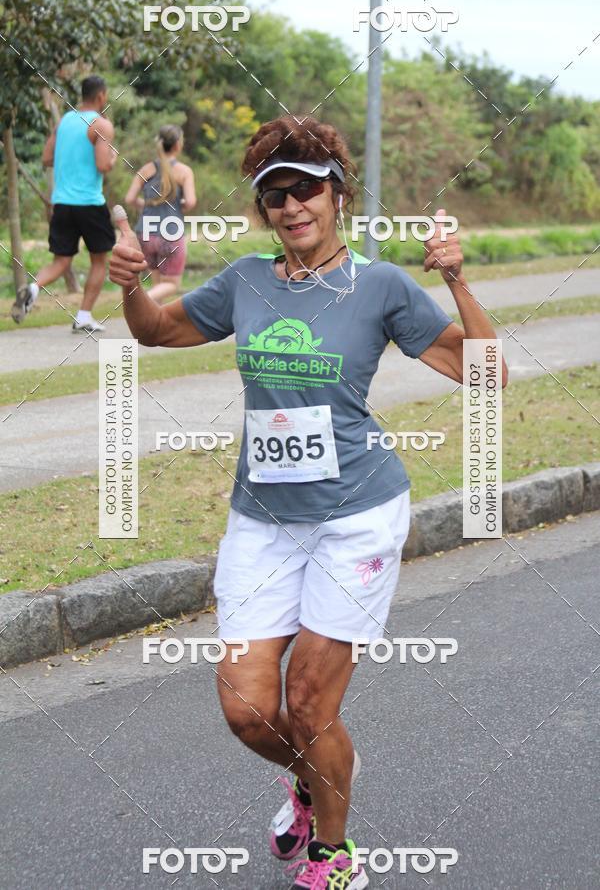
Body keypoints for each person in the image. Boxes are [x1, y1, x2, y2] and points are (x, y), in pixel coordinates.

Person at [109, 115, 509, 889]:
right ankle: (310, 778)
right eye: (275, 194)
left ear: (338, 196)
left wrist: (456, 279)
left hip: (356, 514)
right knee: (247, 708)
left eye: (307, 189)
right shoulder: (247, 283)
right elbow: (158, 330)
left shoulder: (382, 285)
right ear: (264, 209)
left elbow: (485, 373)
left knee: (308, 698)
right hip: (260, 518)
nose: (292, 207)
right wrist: (129, 290)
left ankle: (334, 851)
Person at [11, 74, 117, 332]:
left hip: (62, 203)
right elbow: (103, 165)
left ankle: (33, 288)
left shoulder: (65, 122)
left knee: (61, 261)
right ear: (101, 96)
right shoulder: (102, 125)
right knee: (99, 261)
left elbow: (46, 158)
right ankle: (83, 316)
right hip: (90, 203)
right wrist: (113, 157)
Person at [124, 124, 196, 304]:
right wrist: (180, 207)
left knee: (157, 284)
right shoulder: (184, 171)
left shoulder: (146, 169)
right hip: (170, 233)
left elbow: (130, 198)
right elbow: (191, 202)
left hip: (145, 234)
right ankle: (144, 300)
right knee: (172, 285)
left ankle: (154, 327)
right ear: (178, 145)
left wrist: (147, 204)